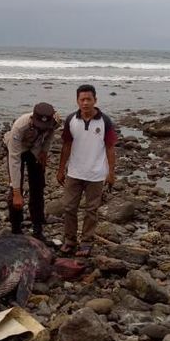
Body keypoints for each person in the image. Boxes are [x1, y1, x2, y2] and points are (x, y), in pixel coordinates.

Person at [57, 84, 117, 257]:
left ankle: (87, 242)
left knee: (91, 210)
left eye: (88, 99)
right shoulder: (71, 120)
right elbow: (66, 145)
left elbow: (110, 148)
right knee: (69, 208)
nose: (85, 103)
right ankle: (69, 240)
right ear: (77, 101)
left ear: (95, 100)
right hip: (74, 172)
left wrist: (111, 173)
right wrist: (61, 169)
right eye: (81, 99)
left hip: (96, 174)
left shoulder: (105, 121)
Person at [3, 102, 59, 239]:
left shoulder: (56, 120)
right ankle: (16, 229)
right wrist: (17, 192)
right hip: (17, 149)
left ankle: (38, 228)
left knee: (38, 188)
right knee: (15, 191)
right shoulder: (20, 126)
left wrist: (44, 152)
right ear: (33, 119)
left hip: (36, 149)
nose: (42, 128)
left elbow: (51, 133)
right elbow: (14, 160)